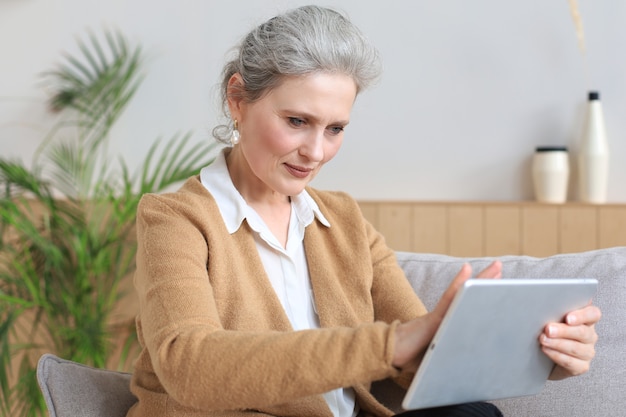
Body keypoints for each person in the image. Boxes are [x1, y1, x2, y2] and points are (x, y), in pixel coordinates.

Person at [127, 5, 601, 417]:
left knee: (470, 414)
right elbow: (190, 365)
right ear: (237, 99)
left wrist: (543, 353)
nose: (315, 151)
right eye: (297, 122)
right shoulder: (174, 220)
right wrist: (389, 343)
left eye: (335, 129)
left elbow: (427, 365)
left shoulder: (345, 223)